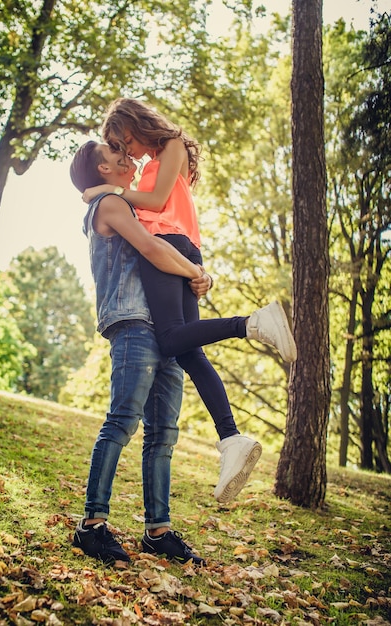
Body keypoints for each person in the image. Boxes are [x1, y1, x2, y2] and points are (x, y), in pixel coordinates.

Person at [83, 97, 297, 504]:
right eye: (120, 148)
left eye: (126, 140)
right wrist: (197, 271)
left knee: (168, 339)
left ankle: (249, 323)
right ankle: (231, 439)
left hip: (168, 246)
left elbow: (159, 203)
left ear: (137, 124)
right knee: (187, 350)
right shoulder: (147, 165)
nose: (128, 150)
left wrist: (109, 188)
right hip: (182, 252)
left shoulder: (172, 146)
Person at [69, 140, 208, 566]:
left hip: (163, 325)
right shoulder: (109, 205)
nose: (129, 160)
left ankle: (157, 531)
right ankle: (91, 526)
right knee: (123, 421)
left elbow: (161, 243)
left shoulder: (122, 201)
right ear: (102, 169)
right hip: (133, 322)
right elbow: (151, 248)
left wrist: (192, 275)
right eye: (117, 156)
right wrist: (197, 272)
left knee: (164, 432)